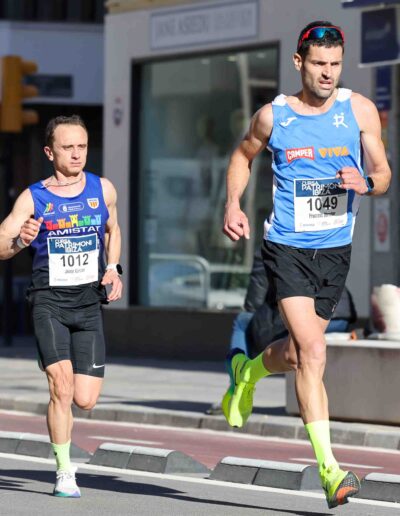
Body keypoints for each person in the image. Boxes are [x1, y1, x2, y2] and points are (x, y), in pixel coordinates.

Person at [222, 21, 391, 509]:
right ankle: (330, 471)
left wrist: (367, 184)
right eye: (319, 64)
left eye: (335, 64)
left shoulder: (358, 110)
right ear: (300, 62)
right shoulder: (273, 117)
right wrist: (233, 204)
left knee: (299, 355)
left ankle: (247, 372)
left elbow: (383, 173)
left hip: (335, 251)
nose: (328, 73)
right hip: (287, 248)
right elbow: (242, 156)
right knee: (314, 351)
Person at [0, 115, 123, 498]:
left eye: (81, 146)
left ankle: (65, 452)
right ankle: (64, 471)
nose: (76, 154)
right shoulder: (33, 198)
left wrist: (112, 268)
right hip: (49, 301)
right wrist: (22, 240)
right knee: (62, 387)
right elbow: (1, 247)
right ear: (49, 152)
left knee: (85, 399)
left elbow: (113, 230)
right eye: (67, 147)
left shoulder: (103, 189)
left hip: (88, 304)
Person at [206, 249, 356, 415]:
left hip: (305, 314)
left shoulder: (274, 244)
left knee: (243, 321)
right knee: (301, 352)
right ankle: (245, 376)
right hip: (339, 316)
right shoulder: (327, 240)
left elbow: (254, 300)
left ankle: (237, 387)